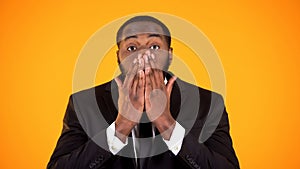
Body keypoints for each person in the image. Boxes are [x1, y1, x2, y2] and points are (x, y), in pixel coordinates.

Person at [47, 15, 240, 169]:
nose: (143, 54)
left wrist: (167, 124)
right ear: (118, 57)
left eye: (154, 46)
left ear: (170, 54)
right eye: (131, 47)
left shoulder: (208, 102)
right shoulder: (84, 103)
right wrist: (121, 126)